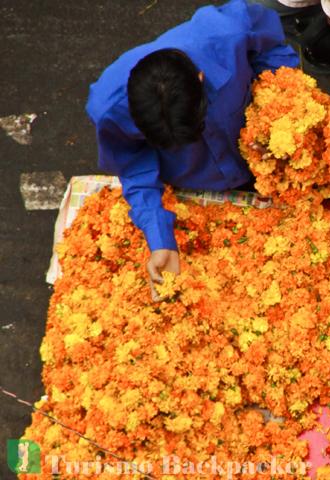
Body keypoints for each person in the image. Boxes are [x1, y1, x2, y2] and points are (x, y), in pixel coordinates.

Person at [86, 0, 299, 298]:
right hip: (195, 185)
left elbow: (273, 50)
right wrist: (160, 240)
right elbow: (135, 167)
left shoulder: (230, 31)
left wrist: (279, 117)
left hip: (259, 155)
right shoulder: (109, 109)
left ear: (201, 79)